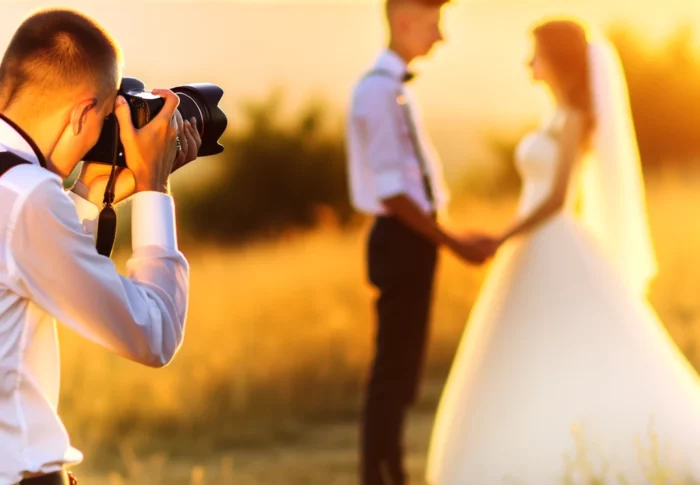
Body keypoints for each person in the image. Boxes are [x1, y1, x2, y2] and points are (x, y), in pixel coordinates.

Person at [426, 18, 700, 484]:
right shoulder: (553, 116)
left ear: (556, 59)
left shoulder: (575, 119)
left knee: (571, 342)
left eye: (534, 52)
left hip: (553, 241)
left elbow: (556, 200)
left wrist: (502, 235)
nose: (527, 62)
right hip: (530, 246)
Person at [0, 8, 201, 485]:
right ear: (82, 113)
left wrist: (91, 196)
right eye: (108, 115)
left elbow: (23, 262)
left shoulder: (20, 193)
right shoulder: (28, 196)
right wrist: (154, 190)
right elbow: (154, 335)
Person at [345, 1, 492, 484]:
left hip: (413, 239)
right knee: (393, 370)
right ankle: (380, 475)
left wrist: (443, 234)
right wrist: (451, 240)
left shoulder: (396, 91)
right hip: (400, 240)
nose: (441, 37)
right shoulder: (379, 94)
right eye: (434, 24)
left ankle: (392, 471)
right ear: (404, 22)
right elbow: (394, 192)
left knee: (404, 372)